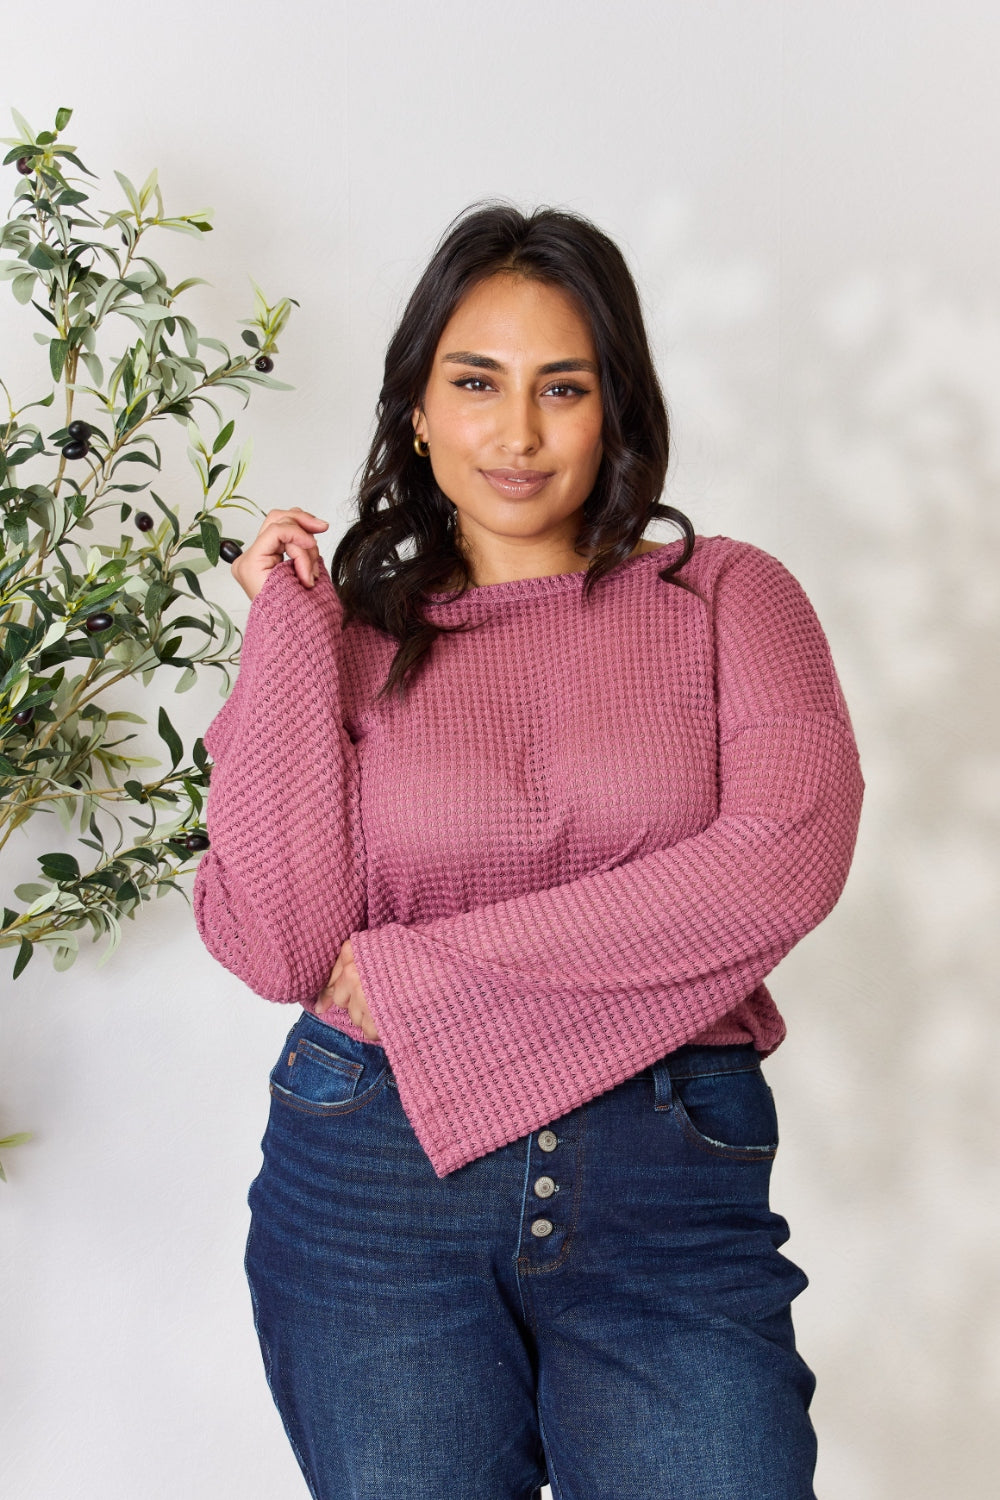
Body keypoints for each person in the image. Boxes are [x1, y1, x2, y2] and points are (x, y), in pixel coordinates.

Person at [193, 201, 864, 1500]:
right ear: (417, 411)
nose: (516, 434)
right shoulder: (343, 643)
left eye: (563, 387)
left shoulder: (728, 598)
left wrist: (418, 978)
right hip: (375, 1187)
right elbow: (283, 947)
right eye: (475, 383)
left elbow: (781, 860)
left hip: (667, 1190)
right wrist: (283, 637)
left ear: (617, 404)